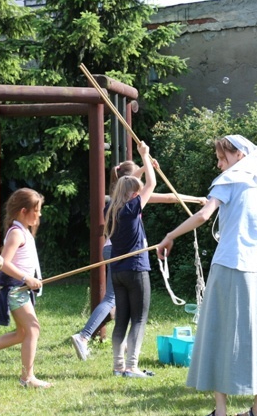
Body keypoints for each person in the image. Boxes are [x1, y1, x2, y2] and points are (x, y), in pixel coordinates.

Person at [157, 135, 257, 416]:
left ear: (239, 155)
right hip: (256, 270)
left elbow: (204, 216)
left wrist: (169, 236)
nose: (219, 165)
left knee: (219, 333)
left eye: (221, 158)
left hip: (228, 266)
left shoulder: (227, 181)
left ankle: (221, 410)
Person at [71, 160, 206, 361]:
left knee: (120, 306)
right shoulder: (131, 203)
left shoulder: (115, 202)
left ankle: (123, 345)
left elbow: (141, 183)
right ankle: (84, 336)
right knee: (112, 300)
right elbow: (166, 195)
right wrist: (199, 200)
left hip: (114, 251)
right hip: (121, 254)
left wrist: (145, 165)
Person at [0, 188, 51, 388]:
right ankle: (27, 378)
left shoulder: (23, 231)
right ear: (23, 211)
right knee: (33, 329)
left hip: (20, 287)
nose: (39, 214)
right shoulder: (16, 233)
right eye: (36, 209)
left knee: (23, 333)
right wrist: (26, 278)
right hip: (14, 289)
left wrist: (31, 279)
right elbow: (2, 262)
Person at [103, 141, 156, 378]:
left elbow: (128, 183)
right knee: (139, 318)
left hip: (118, 270)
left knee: (122, 318)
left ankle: (118, 367)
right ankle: (132, 367)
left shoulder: (111, 209)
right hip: (136, 269)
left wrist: (142, 168)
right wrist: (145, 156)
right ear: (135, 194)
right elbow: (152, 185)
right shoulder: (133, 207)